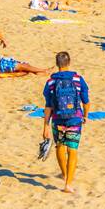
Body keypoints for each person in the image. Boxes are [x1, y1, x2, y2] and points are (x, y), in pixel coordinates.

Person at [42, 51, 90, 193]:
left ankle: (64, 174)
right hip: (75, 119)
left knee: (60, 147)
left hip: (58, 119)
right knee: (72, 150)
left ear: (57, 64)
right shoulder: (78, 79)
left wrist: (45, 126)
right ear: (69, 63)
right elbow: (86, 102)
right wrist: (85, 116)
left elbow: (48, 106)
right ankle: (68, 184)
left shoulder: (51, 82)